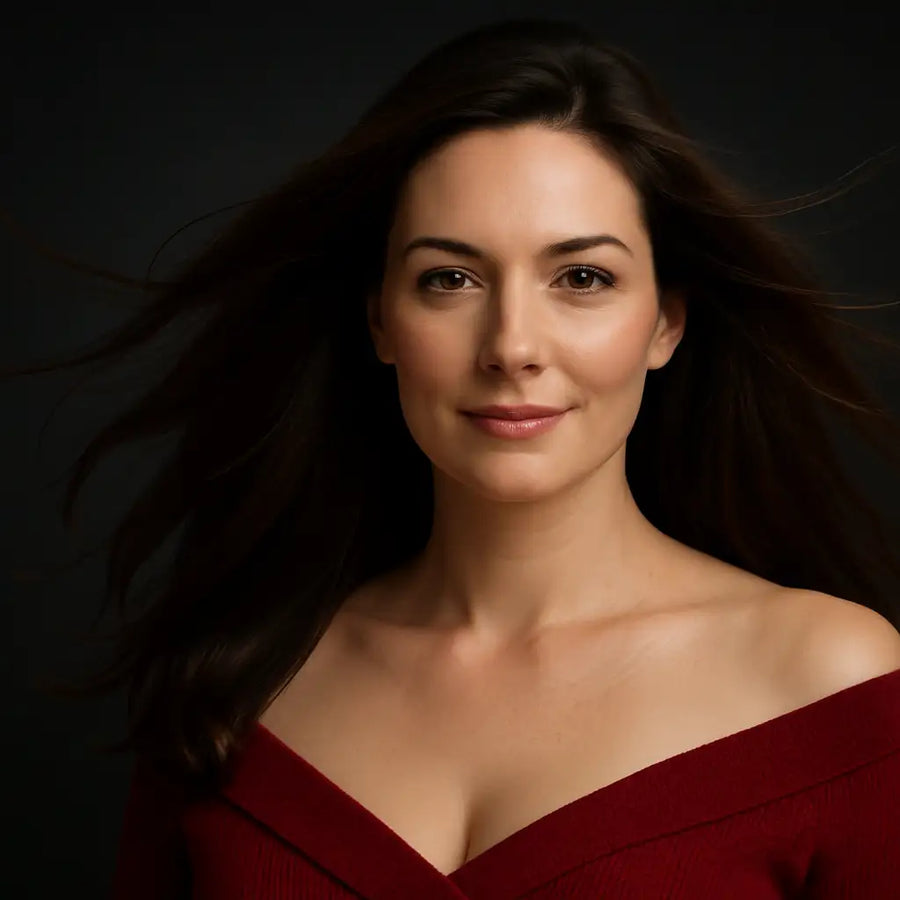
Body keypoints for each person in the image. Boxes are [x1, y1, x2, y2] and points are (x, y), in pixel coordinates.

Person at [8, 17, 900, 899]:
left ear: (666, 321)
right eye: (450, 278)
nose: (512, 345)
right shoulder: (235, 688)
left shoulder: (831, 684)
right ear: (379, 319)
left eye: (582, 278)